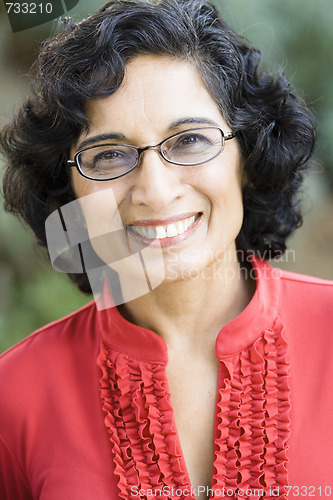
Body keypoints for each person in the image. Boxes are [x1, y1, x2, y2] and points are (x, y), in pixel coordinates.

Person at [0, 0, 332, 498]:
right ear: (67, 188)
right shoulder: (15, 393)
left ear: (249, 156)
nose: (155, 191)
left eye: (191, 140)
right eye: (109, 154)